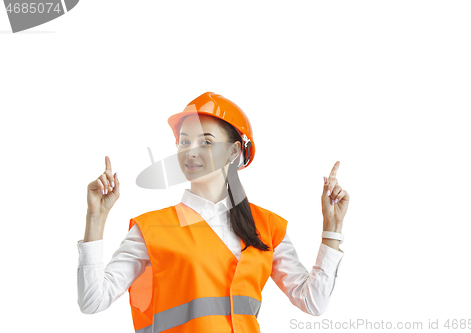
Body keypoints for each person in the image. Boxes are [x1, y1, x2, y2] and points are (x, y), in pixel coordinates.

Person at [77, 92, 349, 333]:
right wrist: (95, 219)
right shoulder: (152, 229)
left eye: (205, 142)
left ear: (234, 151)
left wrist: (332, 227)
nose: (190, 151)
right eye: (184, 142)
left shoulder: (267, 227)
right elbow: (93, 301)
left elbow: (313, 301)